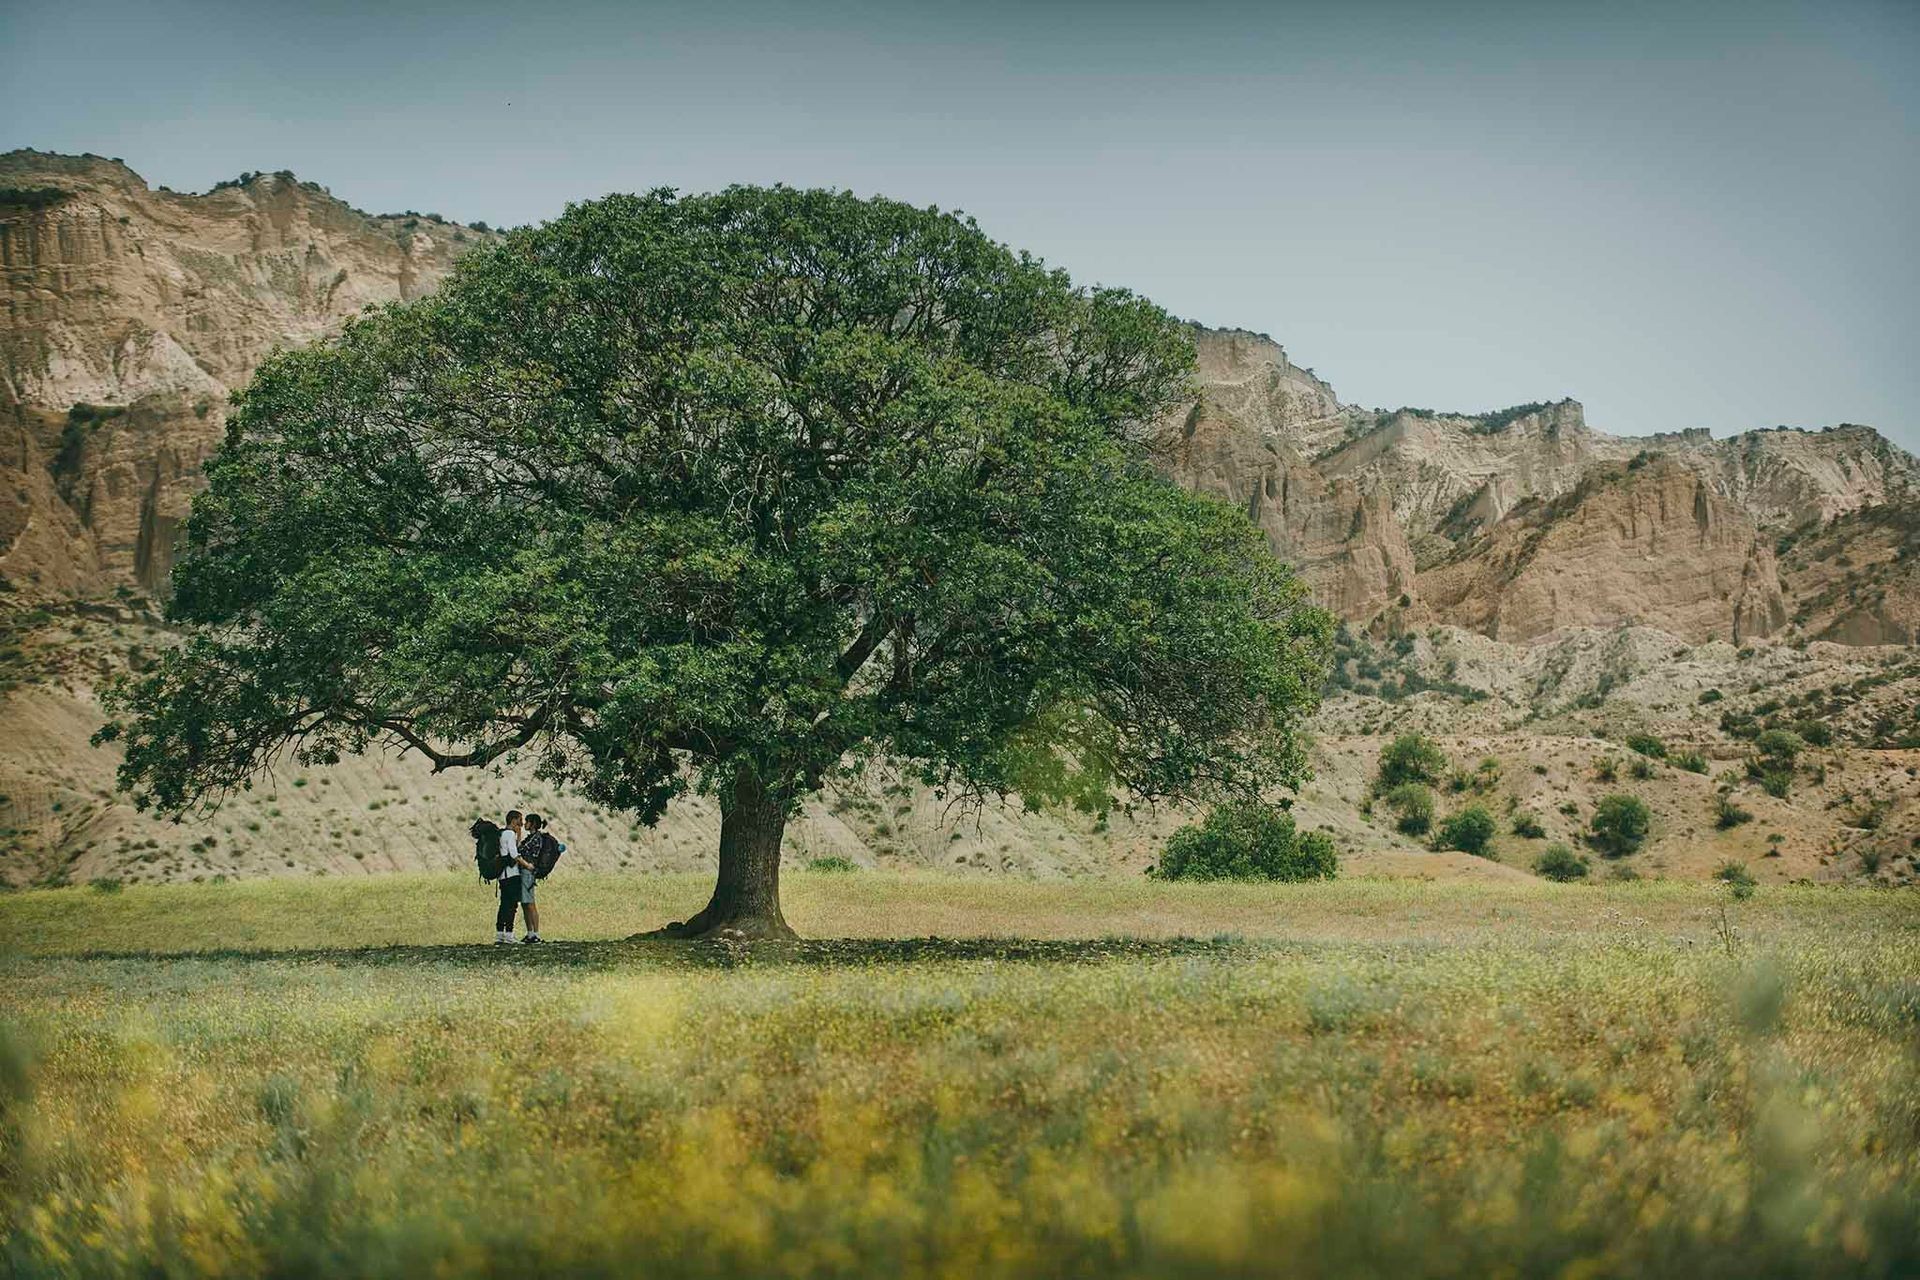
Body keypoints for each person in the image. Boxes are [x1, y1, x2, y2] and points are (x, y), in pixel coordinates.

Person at [493, 809, 539, 945]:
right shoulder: (509, 834)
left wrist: (518, 836)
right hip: (511, 874)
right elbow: (514, 854)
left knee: (503, 905)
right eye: (520, 819)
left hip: (502, 875)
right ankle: (509, 935)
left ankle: (500, 934)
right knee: (512, 905)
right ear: (513, 820)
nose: (522, 822)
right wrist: (527, 865)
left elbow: (510, 849)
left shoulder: (502, 834)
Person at [518, 813, 560, 943]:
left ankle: (535, 933)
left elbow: (520, 850)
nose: (524, 824)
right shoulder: (533, 837)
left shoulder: (535, 838)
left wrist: (518, 835)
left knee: (530, 903)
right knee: (525, 903)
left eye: (527, 822)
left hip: (527, 872)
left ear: (533, 824)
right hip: (525, 871)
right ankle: (530, 933)